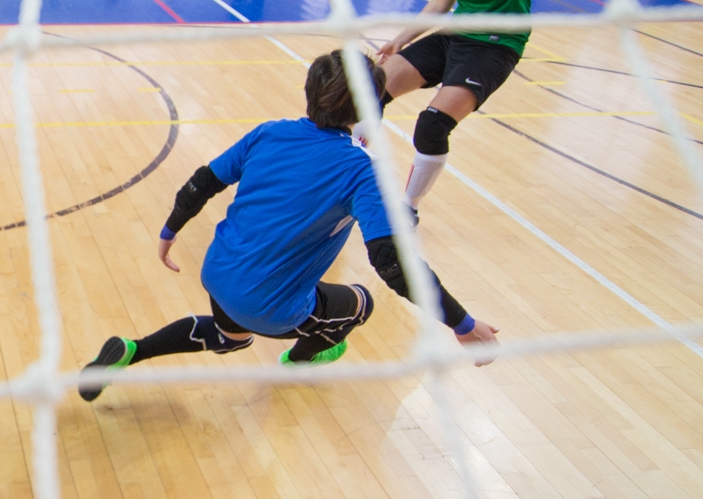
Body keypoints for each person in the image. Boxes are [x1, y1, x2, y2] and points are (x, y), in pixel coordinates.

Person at [79, 50, 498, 401]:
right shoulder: (360, 171)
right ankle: (298, 362)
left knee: (231, 336)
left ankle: (131, 352)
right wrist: (462, 323)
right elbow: (390, 261)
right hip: (271, 306)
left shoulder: (269, 133)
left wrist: (169, 233)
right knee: (361, 303)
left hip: (217, 273)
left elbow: (201, 183)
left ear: (307, 94)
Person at [376, 0, 656, 216]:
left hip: (494, 46)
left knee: (432, 125)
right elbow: (443, 0)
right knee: (368, 89)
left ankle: (408, 206)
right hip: (453, 36)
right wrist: (401, 38)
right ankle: (347, 178)